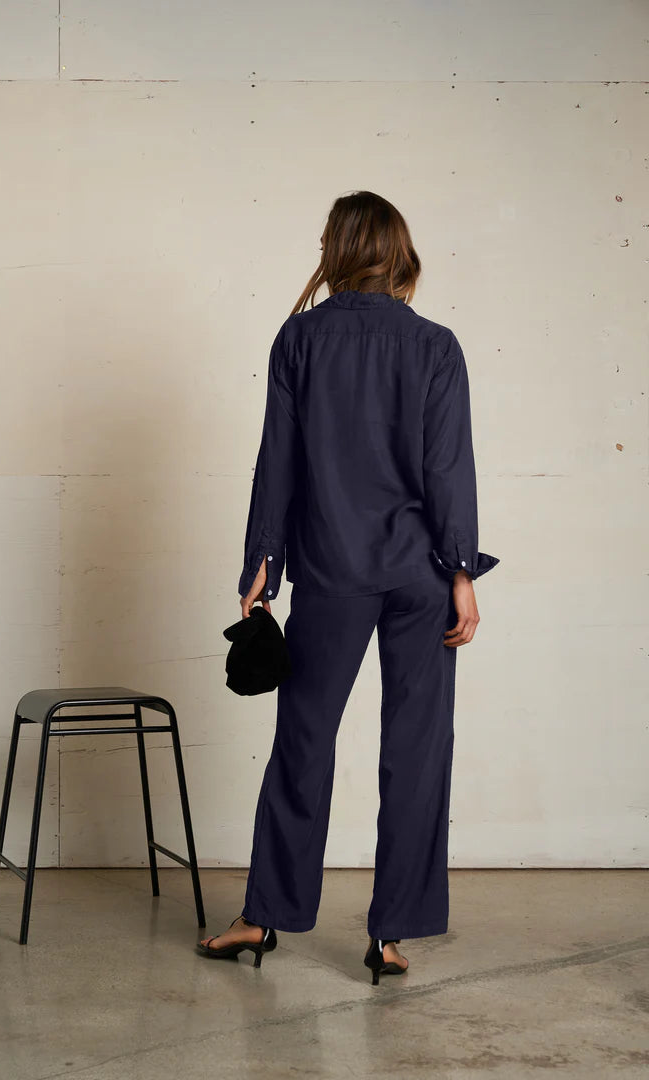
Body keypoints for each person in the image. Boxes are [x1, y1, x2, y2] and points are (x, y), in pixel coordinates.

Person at [197, 190, 500, 983]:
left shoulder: (299, 339)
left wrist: (262, 563)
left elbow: (278, 460)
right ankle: (390, 934)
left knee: (303, 741)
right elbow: (448, 470)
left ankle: (262, 916)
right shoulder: (435, 347)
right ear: (397, 252)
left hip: (333, 570)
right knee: (418, 750)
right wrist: (462, 572)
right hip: (420, 575)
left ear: (338, 249)